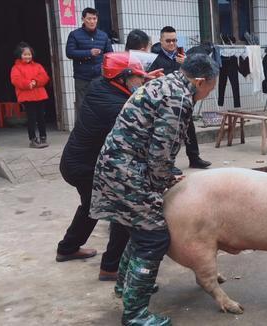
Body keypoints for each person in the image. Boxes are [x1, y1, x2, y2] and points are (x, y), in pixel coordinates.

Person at [90, 53, 219, 325]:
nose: (209, 92)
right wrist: (164, 180)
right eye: (211, 86)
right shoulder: (178, 98)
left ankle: (125, 287)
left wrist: (166, 173)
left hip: (116, 165)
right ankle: (135, 314)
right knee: (153, 237)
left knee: (137, 230)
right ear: (199, 81)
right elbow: (160, 152)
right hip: (127, 172)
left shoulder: (166, 83)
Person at [56, 31, 163, 283]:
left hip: (79, 162)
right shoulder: (113, 106)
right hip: (84, 166)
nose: (140, 79)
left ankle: (68, 248)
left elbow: (132, 92)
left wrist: (146, 78)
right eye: (136, 75)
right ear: (122, 77)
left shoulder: (103, 85)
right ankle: (110, 267)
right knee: (120, 210)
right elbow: (142, 110)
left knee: (90, 207)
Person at [150, 26, 212, 170]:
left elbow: (195, 76)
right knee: (168, 134)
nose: (172, 44)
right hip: (164, 103)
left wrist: (187, 64)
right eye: (168, 41)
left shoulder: (183, 56)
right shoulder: (155, 58)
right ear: (161, 41)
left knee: (189, 128)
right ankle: (168, 164)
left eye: (174, 40)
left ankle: (194, 158)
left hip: (183, 99)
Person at [66, 7, 113, 117]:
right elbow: (69, 53)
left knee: (100, 104)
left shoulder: (103, 35)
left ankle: (98, 131)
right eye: (89, 19)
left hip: (99, 77)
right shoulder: (74, 35)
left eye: (94, 18)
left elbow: (110, 55)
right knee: (82, 106)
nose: (92, 21)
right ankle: (80, 132)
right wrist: (89, 53)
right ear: (83, 19)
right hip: (82, 77)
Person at [10, 42, 50, 148]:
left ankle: (43, 137)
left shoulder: (38, 66)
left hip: (39, 95)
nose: (28, 56)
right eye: (25, 54)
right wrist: (29, 84)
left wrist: (35, 82)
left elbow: (45, 77)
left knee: (41, 117)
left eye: (29, 54)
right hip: (27, 97)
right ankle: (33, 139)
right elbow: (16, 80)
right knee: (31, 118)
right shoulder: (16, 68)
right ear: (20, 55)